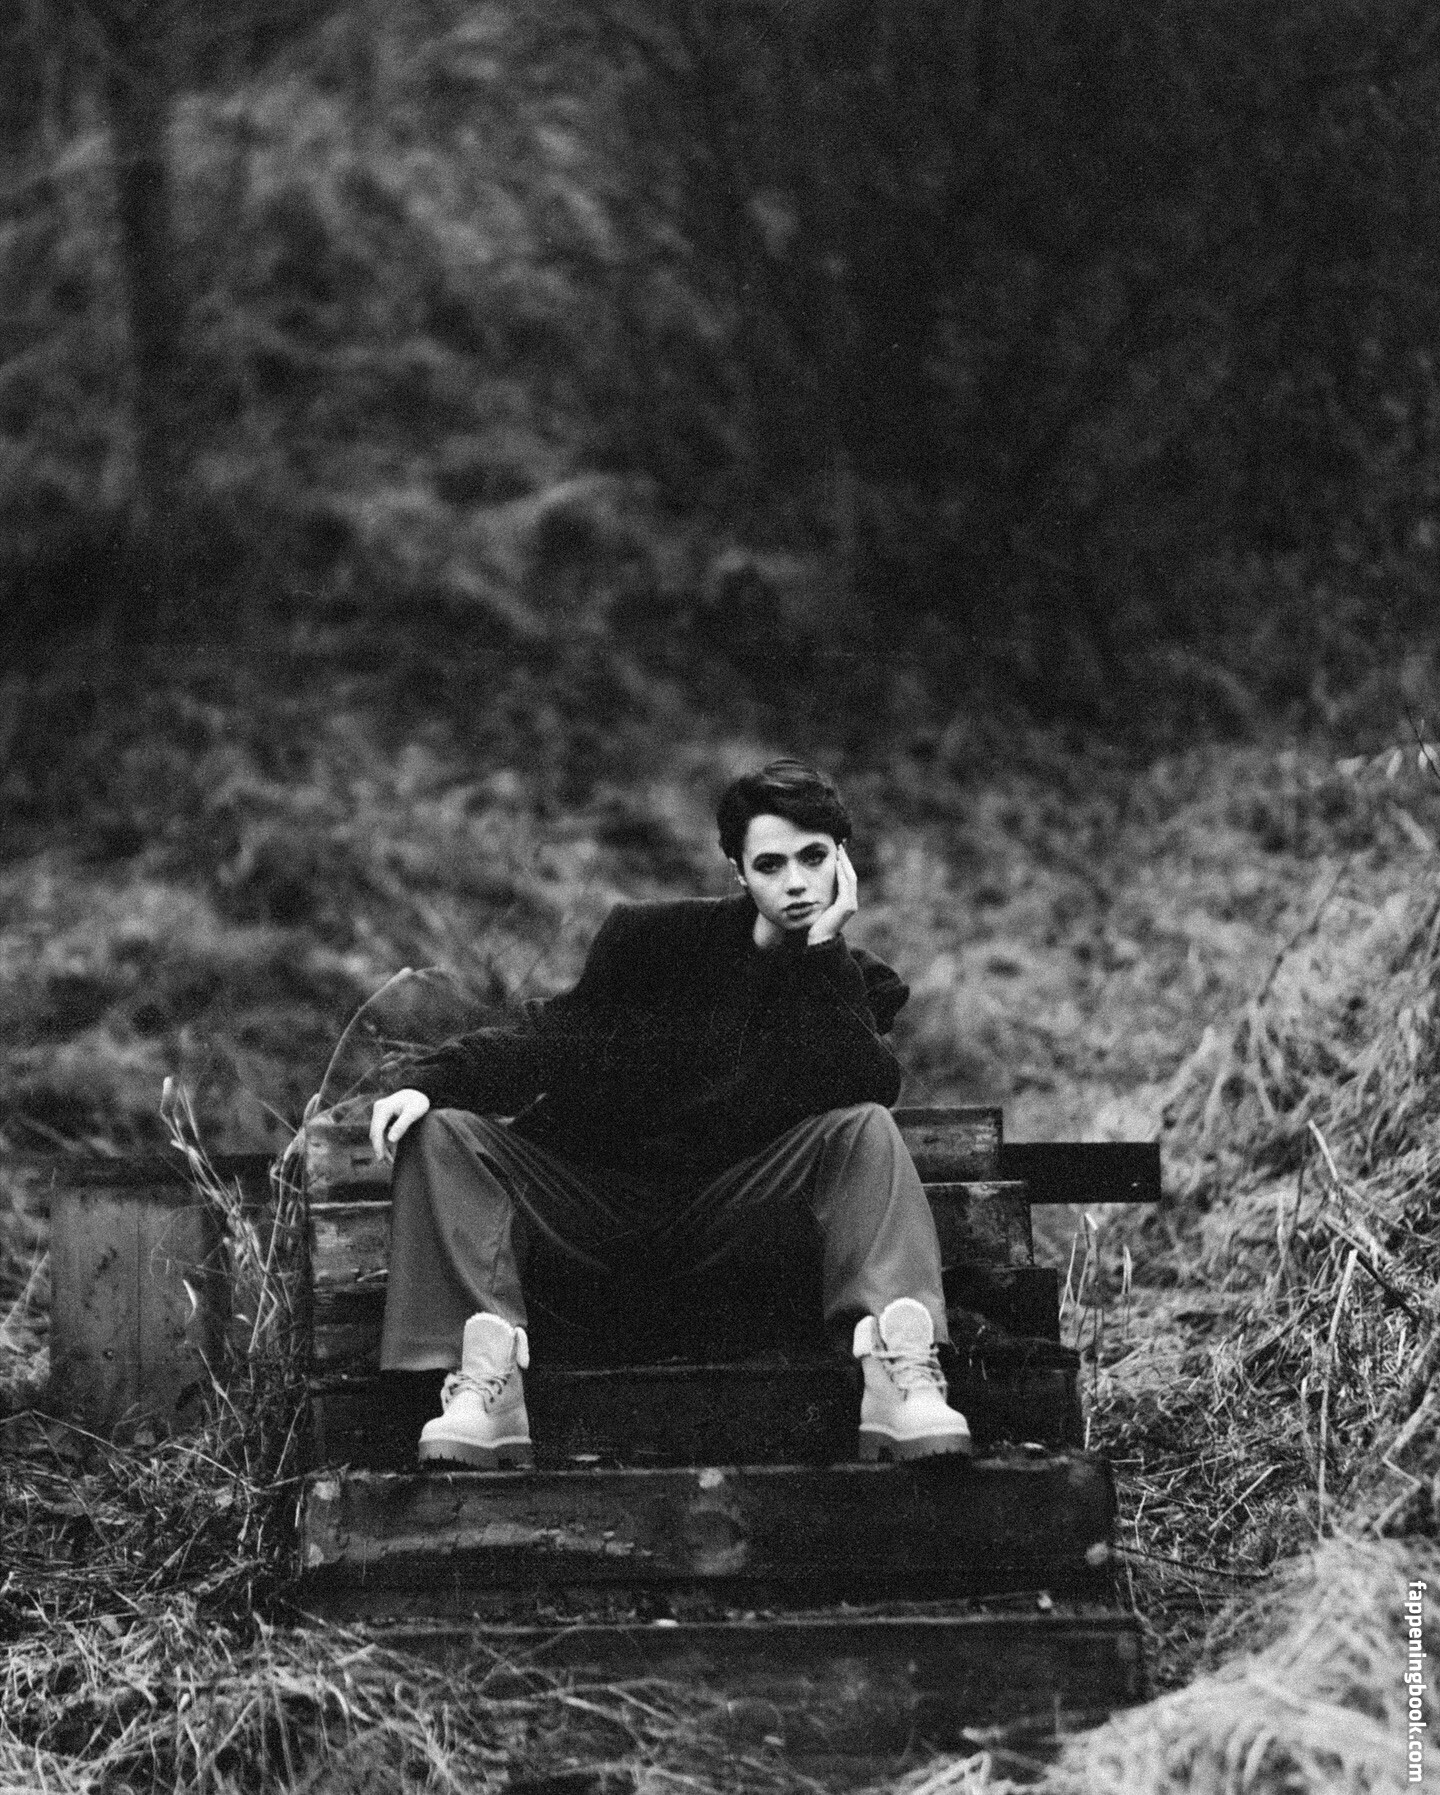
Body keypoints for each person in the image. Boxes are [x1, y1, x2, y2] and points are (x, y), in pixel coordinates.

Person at [369, 757, 970, 1468]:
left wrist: (822, 953)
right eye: (770, 864)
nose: (796, 883)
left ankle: (898, 1382)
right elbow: (553, 1036)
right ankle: (487, 1387)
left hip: (734, 1224)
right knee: (442, 1132)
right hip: (593, 1216)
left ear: (843, 861)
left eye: (813, 858)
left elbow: (868, 1084)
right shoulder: (655, 942)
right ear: (738, 872)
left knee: (866, 1125)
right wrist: (431, 1082)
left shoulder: (849, 979)